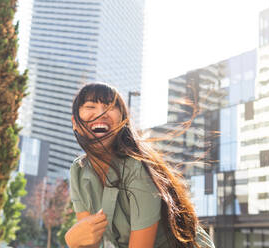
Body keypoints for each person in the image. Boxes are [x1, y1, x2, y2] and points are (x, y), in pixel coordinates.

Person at [65, 82, 215, 248]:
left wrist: (73, 242)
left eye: (110, 107)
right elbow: (90, 241)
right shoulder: (78, 171)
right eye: (91, 106)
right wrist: (73, 241)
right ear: (75, 122)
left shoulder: (137, 168)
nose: (102, 113)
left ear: (122, 120)